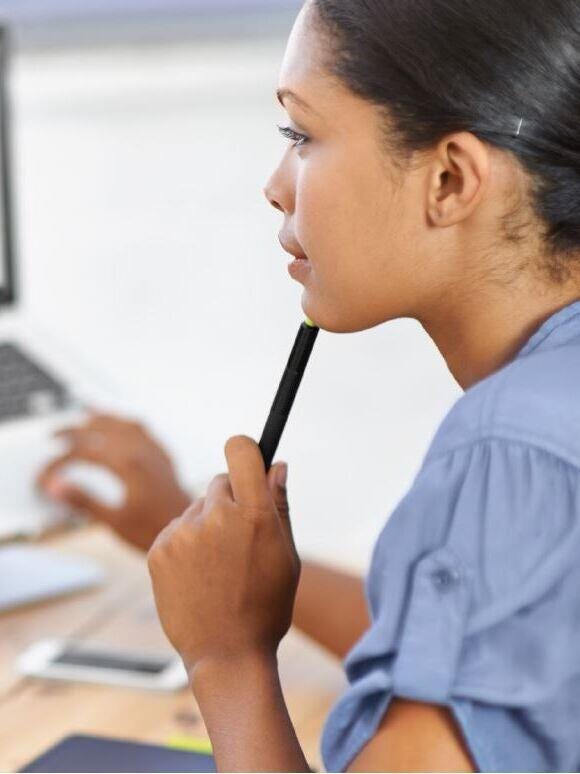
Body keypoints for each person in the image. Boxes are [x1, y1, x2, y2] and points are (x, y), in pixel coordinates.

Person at [39, 0, 580, 769]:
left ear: (452, 179)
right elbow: (495, 651)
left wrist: (228, 663)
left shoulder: (510, 446)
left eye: (301, 135)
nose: (275, 186)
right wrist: (202, 555)